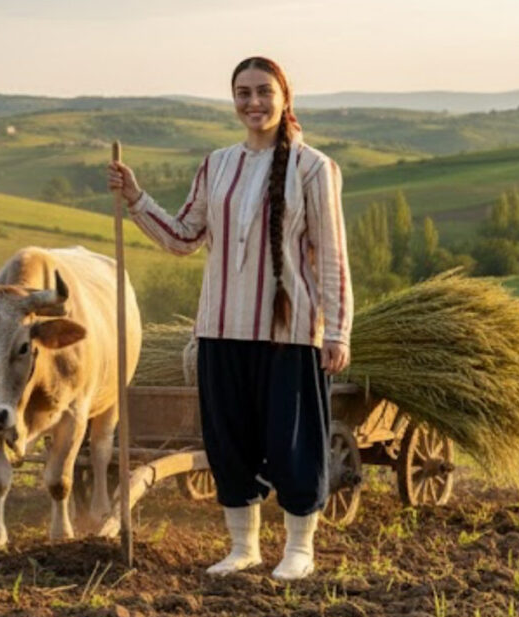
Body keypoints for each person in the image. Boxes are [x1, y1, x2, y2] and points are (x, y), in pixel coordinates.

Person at [107, 56, 352, 580]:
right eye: (242, 93)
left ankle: (298, 550)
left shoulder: (315, 168)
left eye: (263, 91)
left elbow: (333, 257)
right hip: (219, 329)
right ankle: (244, 548)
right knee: (230, 442)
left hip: (289, 334)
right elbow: (182, 238)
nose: (253, 103)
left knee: (292, 443)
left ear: (285, 96)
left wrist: (337, 331)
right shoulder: (216, 164)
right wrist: (136, 198)